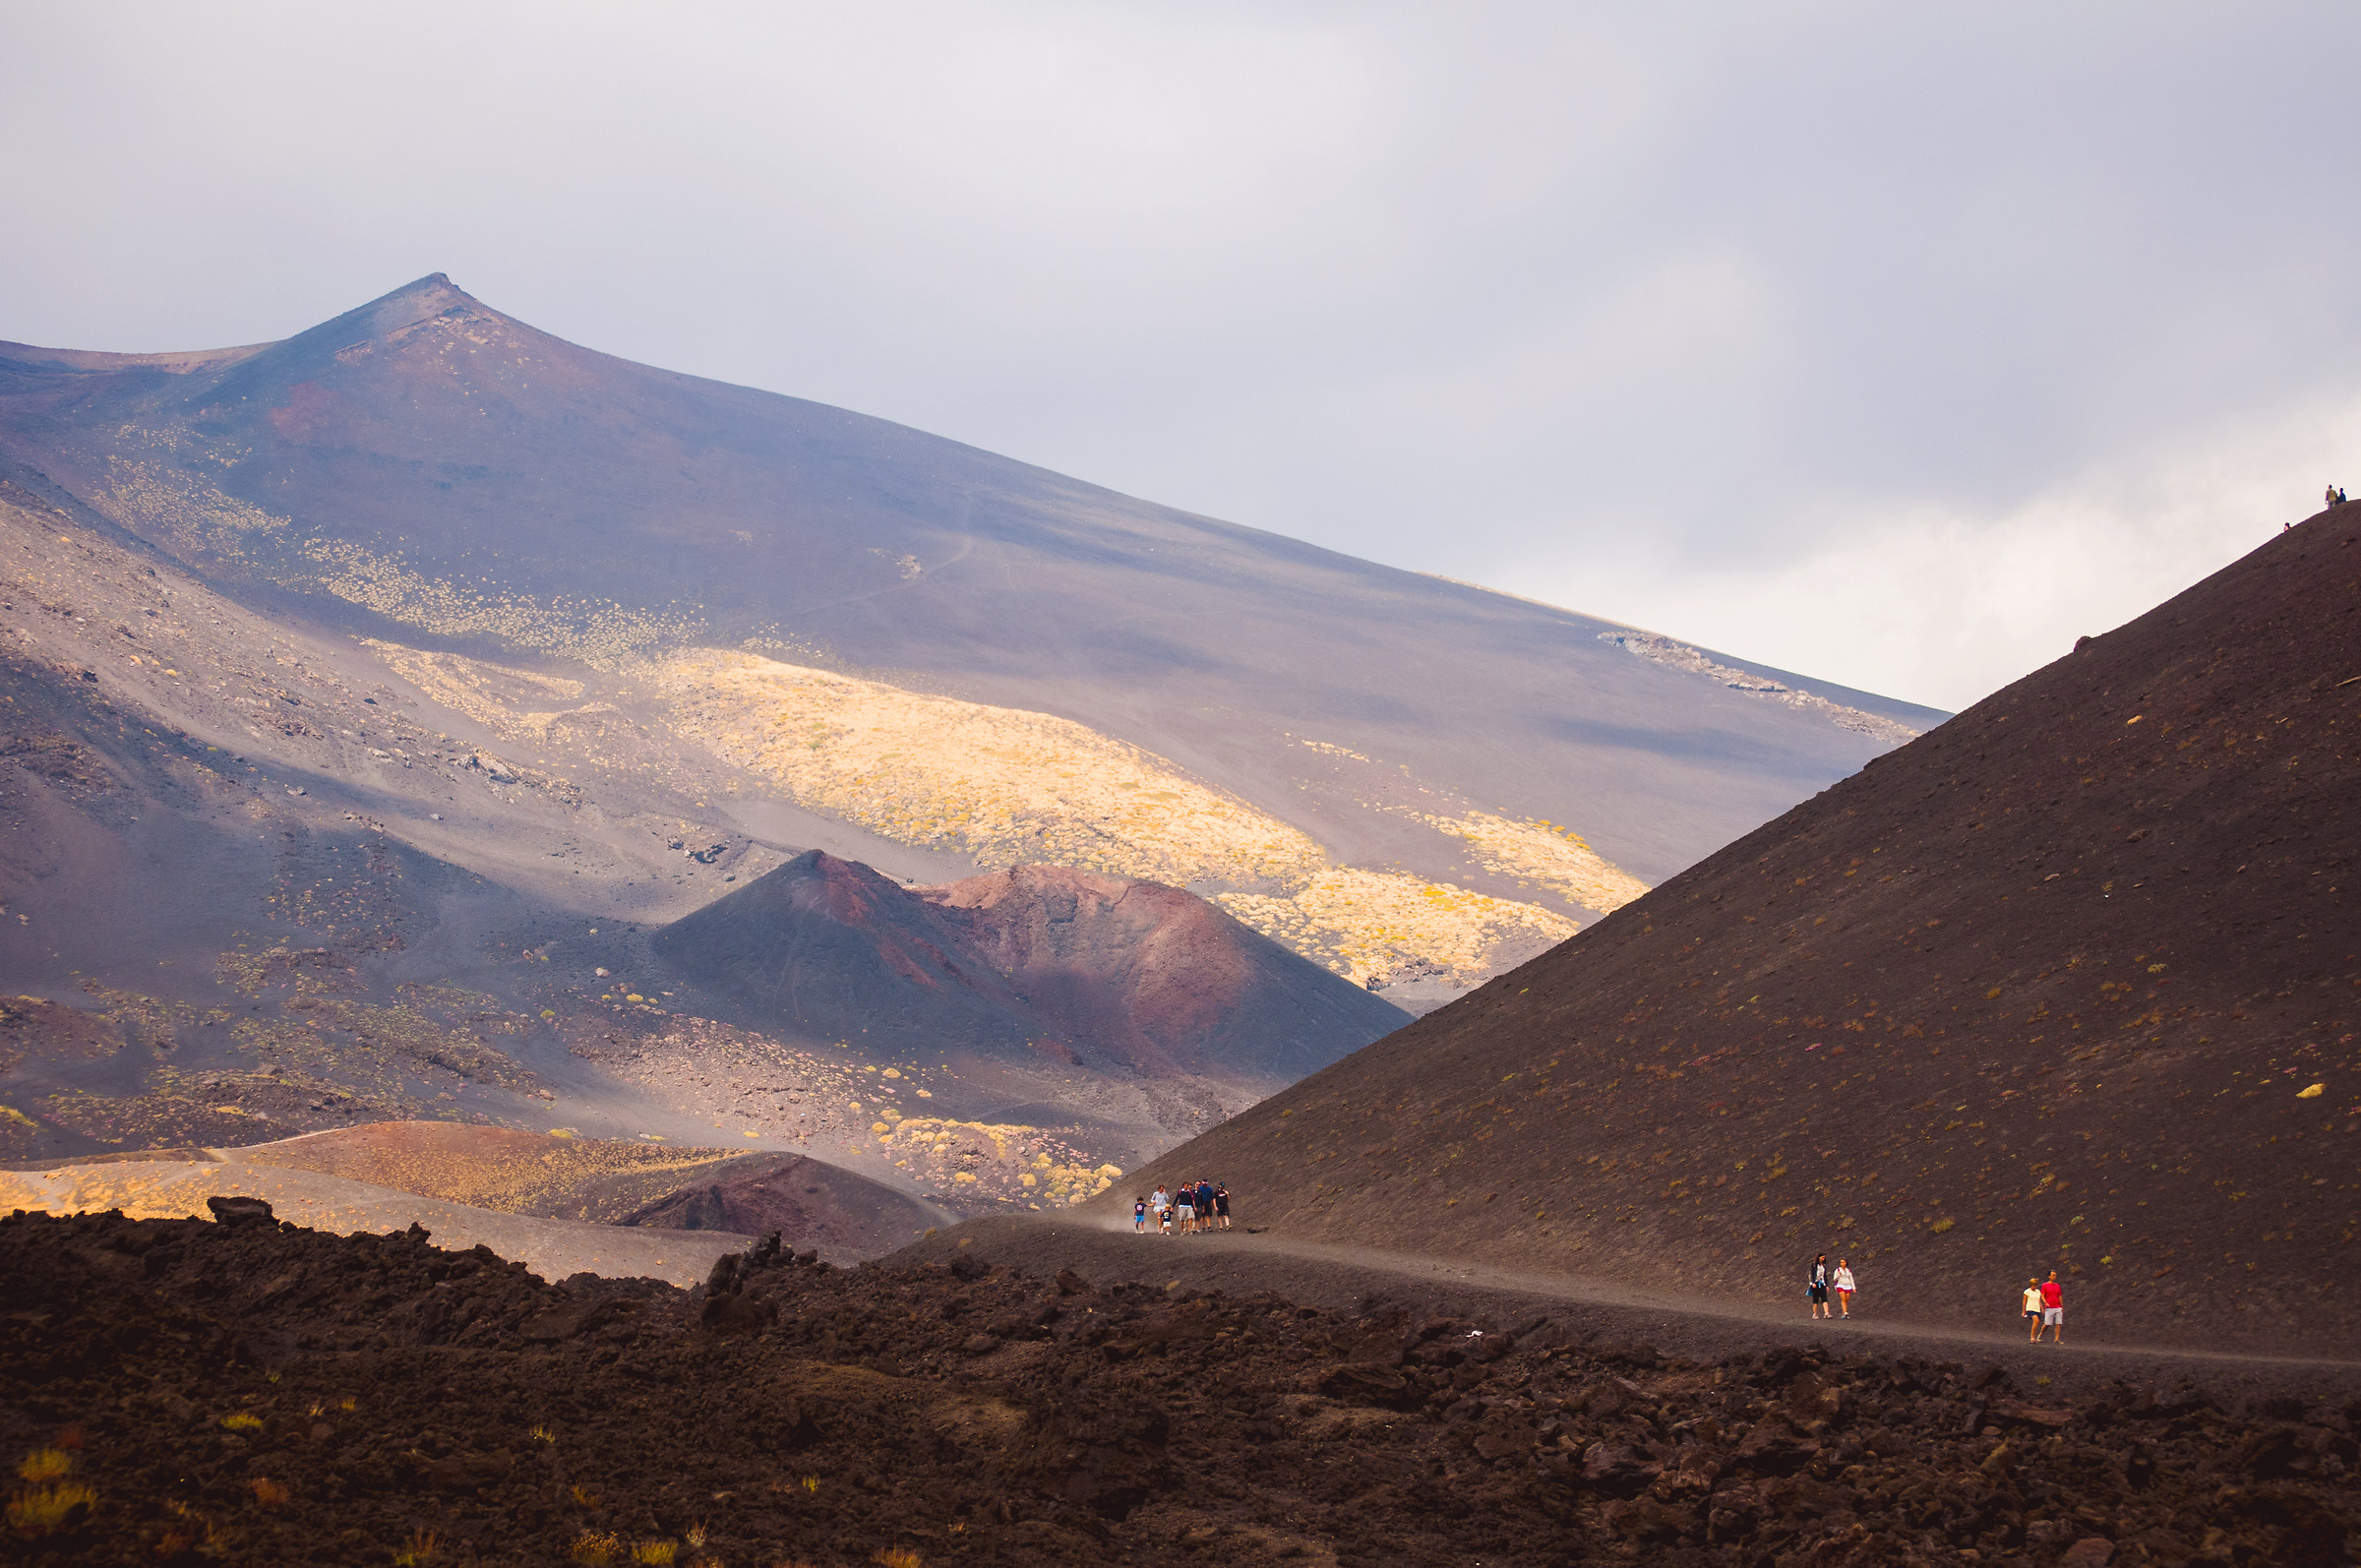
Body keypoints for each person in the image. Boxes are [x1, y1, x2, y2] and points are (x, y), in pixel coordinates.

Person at [2040, 1271, 2064, 1344]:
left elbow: (2059, 1296)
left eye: (2055, 1275)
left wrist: (2062, 1306)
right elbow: (2042, 1295)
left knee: (2058, 1323)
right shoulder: (2045, 1285)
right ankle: (2040, 1335)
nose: (2055, 1276)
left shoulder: (2057, 1286)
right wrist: (2045, 1302)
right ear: (2049, 1276)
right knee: (2047, 1323)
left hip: (2057, 1306)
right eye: (2053, 1275)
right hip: (2049, 1307)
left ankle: (2056, 1339)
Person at [1807, 1253, 1831, 1318]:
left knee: (1824, 1298)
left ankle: (1826, 1313)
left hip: (1822, 1283)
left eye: (1824, 1258)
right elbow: (1812, 1274)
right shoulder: (1814, 1265)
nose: (1823, 1259)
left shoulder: (1823, 1266)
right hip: (1816, 1283)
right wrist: (1813, 1282)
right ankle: (1815, 1314)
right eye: (1822, 1257)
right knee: (1815, 1299)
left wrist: (1826, 1285)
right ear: (1819, 1257)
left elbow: (1825, 1276)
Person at [2022, 1277, 2042, 1342]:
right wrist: (2023, 1311)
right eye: (2034, 1285)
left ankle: (2034, 1337)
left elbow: (2039, 1301)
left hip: (2037, 1309)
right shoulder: (2027, 1291)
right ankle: (2032, 1337)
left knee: (2037, 1322)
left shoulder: (2038, 1291)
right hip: (2030, 1308)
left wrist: (2042, 1308)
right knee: (2036, 1320)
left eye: (2036, 1285)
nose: (2035, 1287)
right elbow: (2024, 1302)